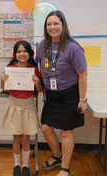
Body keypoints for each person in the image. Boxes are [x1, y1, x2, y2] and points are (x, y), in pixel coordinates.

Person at [35, 10, 87, 176]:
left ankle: (65, 167)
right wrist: (43, 88)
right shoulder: (43, 45)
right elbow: (42, 68)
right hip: (51, 95)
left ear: (63, 26)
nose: (52, 27)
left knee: (65, 131)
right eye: (49, 24)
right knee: (45, 127)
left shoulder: (73, 48)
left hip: (69, 95)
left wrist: (82, 100)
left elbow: (83, 75)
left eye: (56, 23)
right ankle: (57, 156)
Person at [0, 40, 43, 176]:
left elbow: (40, 90)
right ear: (15, 54)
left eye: (25, 51)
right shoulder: (10, 68)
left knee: (25, 138)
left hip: (28, 105)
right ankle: (16, 165)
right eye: (19, 51)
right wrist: (3, 80)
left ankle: (25, 166)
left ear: (30, 53)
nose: (22, 54)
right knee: (16, 137)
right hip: (14, 104)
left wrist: (37, 82)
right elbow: (4, 89)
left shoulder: (34, 69)